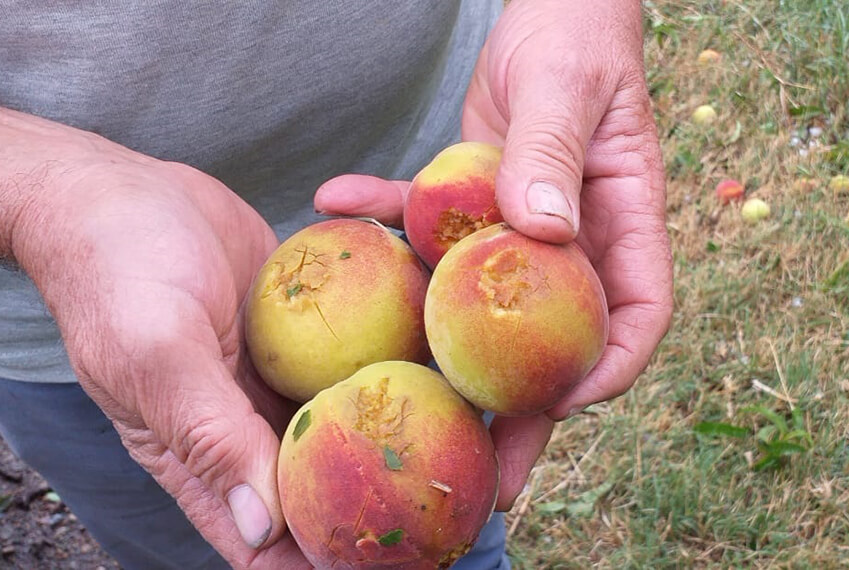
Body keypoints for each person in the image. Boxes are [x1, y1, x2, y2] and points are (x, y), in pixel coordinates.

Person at [0, 0, 673, 568]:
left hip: (449, 183)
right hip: (86, 303)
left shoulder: (465, 271)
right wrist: (36, 198)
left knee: (451, 525)